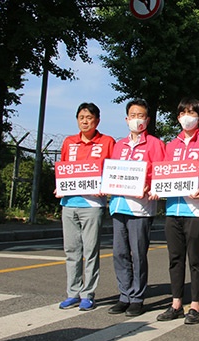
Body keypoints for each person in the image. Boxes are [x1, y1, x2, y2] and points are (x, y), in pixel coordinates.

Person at [156, 97, 199, 325]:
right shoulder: (171, 145)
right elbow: (163, 174)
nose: (187, 116)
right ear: (178, 117)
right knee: (175, 258)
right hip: (173, 208)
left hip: (197, 210)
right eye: (183, 112)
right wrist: (157, 187)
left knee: (195, 258)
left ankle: (195, 304)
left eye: (192, 112)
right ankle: (176, 303)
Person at [107, 99, 166, 317]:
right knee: (119, 253)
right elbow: (112, 172)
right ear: (126, 119)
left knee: (138, 253)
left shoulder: (155, 144)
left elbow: (160, 174)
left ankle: (137, 297)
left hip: (140, 208)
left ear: (148, 120)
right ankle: (124, 294)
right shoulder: (119, 145)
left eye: (141, 115)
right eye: (133, 115)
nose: (136, 119)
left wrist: (150, 185)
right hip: (119, 205)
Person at [58, 102, 115, 311]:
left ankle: (88, 294)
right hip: (69, 203)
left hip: (93, 204)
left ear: (97, 120)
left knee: (90, 251)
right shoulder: (69, 142)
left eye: (89, 117)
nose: (85, 121)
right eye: (81, 117)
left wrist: (107, 187)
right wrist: (60, 188)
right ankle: (72, 292)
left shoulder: (107, 142)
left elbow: (112, 170)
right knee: (71, 250)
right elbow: (63, 170)